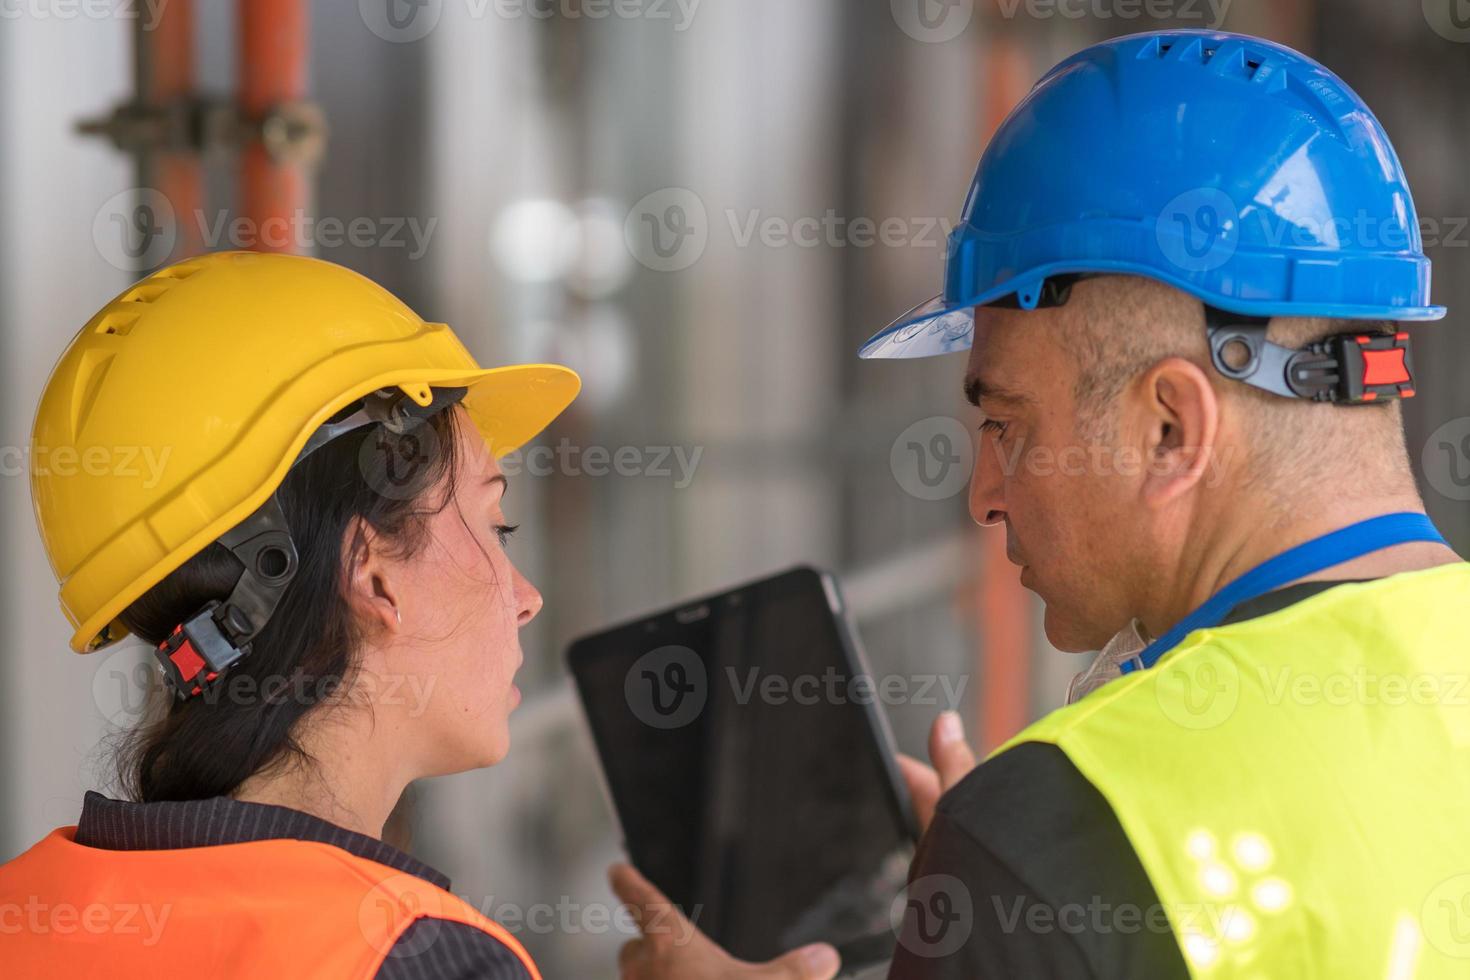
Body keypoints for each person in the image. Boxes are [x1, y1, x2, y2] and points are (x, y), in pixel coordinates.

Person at [612, 28, 1470, 980]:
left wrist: (1022, 884)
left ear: (1171, 430)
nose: (983, 497)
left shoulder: (1063, 828)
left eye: (1008, 425)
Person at [0, 250, 841, 979]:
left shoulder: (23, 911)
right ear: (373, 576)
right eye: (494, 525)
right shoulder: (413, 956)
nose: (526, 596)